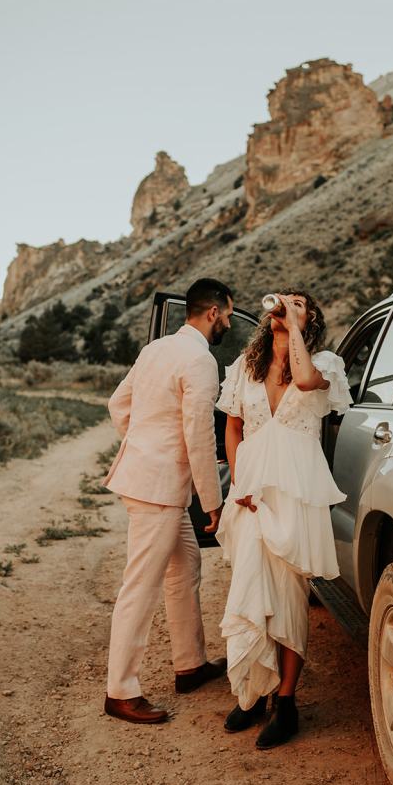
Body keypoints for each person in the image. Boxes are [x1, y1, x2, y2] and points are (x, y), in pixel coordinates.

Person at [215, 290, 351, 749]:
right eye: (284, 301)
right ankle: (254, 691)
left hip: (296, 492)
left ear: (311, 319)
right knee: (251, 586)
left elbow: (306, 379)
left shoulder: (324, 364)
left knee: (290, 596)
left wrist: (293, 325)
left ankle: (286, 702)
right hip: (251, 490)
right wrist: (239, 481)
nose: (287, 306)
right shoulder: (246, 366)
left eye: (300, 303)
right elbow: (233, 428)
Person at [102, 277, 234, 724]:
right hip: (157, 489)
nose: (228, 323)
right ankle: (120, 691)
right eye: (228, 314)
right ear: (213, 313)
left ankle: (190, 664)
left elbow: (117, 404)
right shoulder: (200, 360)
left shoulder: (155, 349)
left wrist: (142, 444)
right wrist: (213, 501)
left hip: (152, 482)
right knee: (140, 586)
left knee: (186, 565)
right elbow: (199, 434)